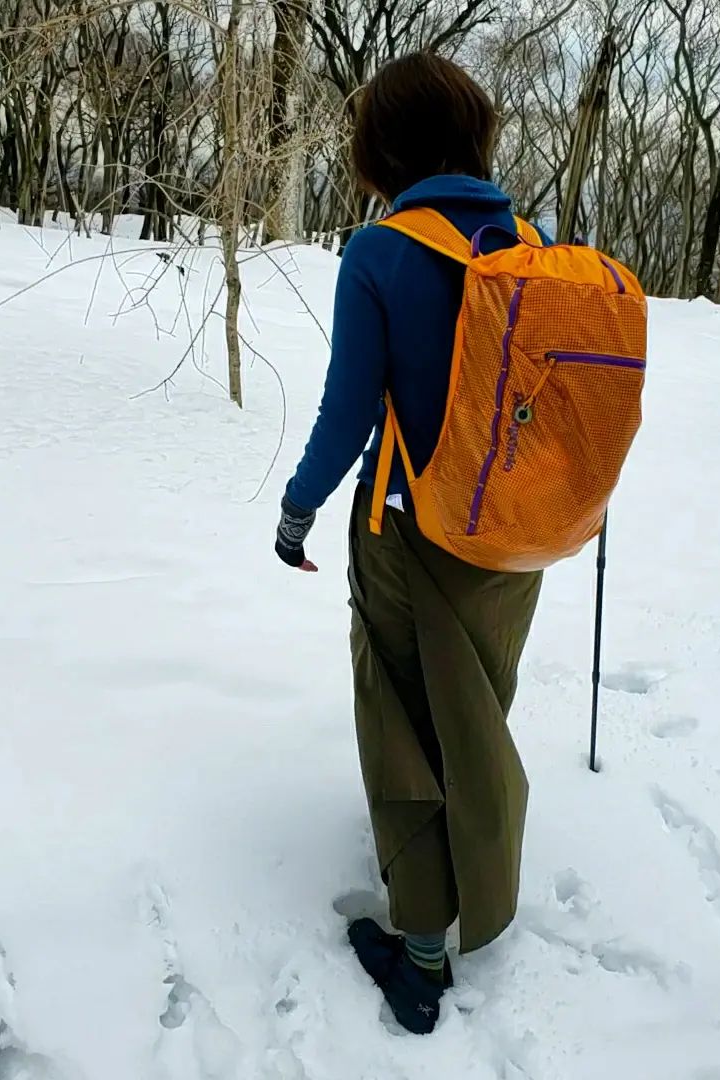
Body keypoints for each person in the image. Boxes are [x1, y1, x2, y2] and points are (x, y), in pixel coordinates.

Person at [274, 53, 544, 1035]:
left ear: (381, 146)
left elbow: (352, 409)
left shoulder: (383, 251)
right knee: (471, 710)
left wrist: (298, 508)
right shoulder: (529, 242)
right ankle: (480, 875)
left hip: (412, 530)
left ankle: (421, 951)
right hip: (517, 541)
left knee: (402, 721)